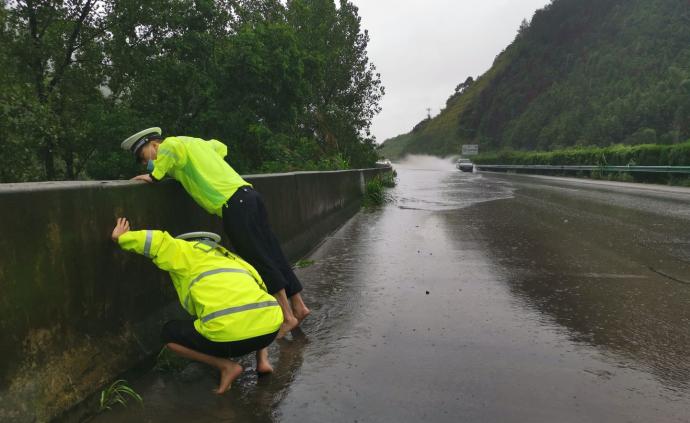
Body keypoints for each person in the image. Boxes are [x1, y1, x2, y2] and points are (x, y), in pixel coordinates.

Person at [120, 128, 310, 338]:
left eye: (143, 156)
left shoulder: (171, 145)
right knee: (274, 253)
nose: (143, 163)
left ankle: (287, 316)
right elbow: (221, 147)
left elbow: (170, 149)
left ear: (155, 145)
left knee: (260, 259)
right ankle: (299, 307)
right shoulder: (196, 143)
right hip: (249, 195)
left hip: (233, 205)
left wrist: (153, 177)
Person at [111, 217, 283, 394]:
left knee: (169, 333)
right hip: (270, 330)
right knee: (257, 306)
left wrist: (122, 238)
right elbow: (261, 291)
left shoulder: (186, 251)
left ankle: (226, 366)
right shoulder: (234, 259)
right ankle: (263, 361)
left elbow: (157, 241)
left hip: (229, 336)